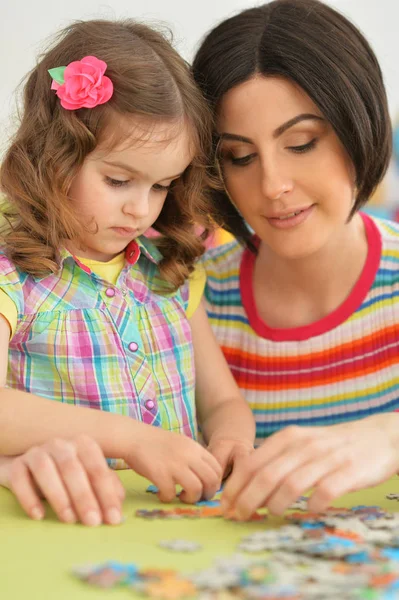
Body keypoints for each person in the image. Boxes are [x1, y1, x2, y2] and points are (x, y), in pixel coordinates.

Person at [0, 19, 255, 525]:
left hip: (180, 524)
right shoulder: (14, 279)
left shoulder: (170, 275)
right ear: (55, 159)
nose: (141, 210)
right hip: (68, 523)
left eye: (162, 185)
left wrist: (232, 438)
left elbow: (223, 399)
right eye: (119, 180)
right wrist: (134, 439)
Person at [192, 0, 399, 520]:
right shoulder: (188, 300)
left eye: (301, 143)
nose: (272, 186)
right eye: (240, 157)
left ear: (361, 124)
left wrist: (388, 436)